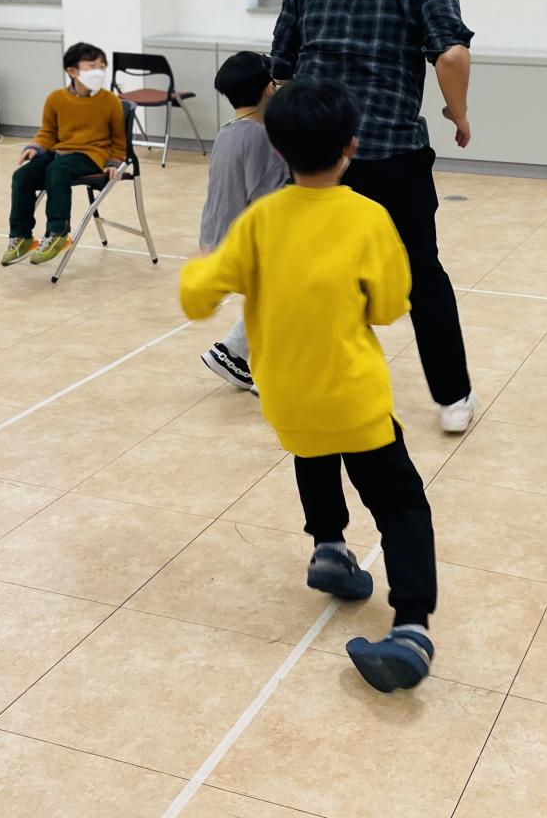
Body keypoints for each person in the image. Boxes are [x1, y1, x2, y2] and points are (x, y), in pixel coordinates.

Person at [179, 80, 438, 693]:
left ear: (277, 147)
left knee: (313, 450)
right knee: (402, 505)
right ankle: (411, 628)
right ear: (352, 146)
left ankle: (329, 547)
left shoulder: (261, 220)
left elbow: (197, 297)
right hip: (353, 396)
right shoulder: (367, 217)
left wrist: (204, 268)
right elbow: (389, 307)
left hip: (286, 398)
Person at [271, 0, 477, 434]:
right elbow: (452, 55)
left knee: (314, 272)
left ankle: (309, 378)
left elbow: (282, 70)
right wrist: (458, 114)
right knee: (422, 274)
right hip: (393, 153)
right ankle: (453, 399)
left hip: (317, 159)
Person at [197, 50, 290, 392]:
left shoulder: (228, 131)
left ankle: (232, 352)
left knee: (275, 297)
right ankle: (265, 369)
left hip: (214, 239)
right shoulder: (261, 139)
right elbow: (271, 202)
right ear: (269, 88)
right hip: (241, 247)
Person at [2, 42, 126, 268]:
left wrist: (114, 162)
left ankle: (58, 232)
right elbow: (48, 132)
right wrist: (36, 147)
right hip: (60, 152)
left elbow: (119, 140)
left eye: (102, 66)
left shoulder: (110, 101)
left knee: (57, 170)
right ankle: (21, 236)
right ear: (72, 71)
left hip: (92, 155)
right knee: (22, 176)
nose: (99, 71)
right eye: (92, 66)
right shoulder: (56, 99)